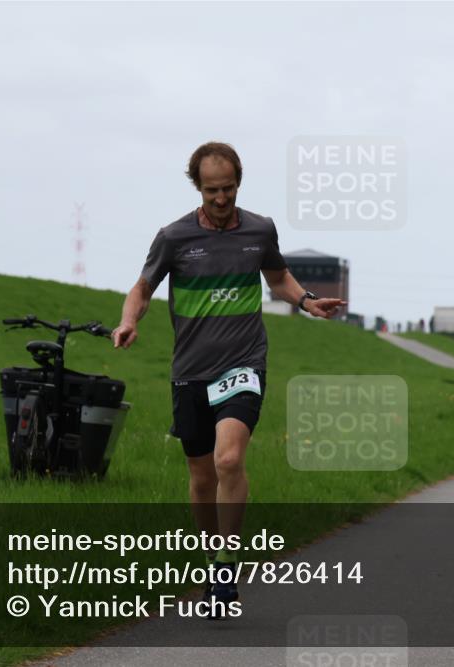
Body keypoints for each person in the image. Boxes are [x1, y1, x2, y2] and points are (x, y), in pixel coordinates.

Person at [111, 142, 344, 616]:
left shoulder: (260, 230)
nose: (222, 198)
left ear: (240, 182)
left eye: (230, 188)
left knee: (229, 460)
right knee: (200, 480)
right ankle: (211, 555)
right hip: (190, 371)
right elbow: (142, 286)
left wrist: (307, 300)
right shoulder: (174, 237)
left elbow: (278, 278)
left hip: (243, 362)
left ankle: (224, 565)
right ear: (197, 187)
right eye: (213, 190)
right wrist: (129, 320)